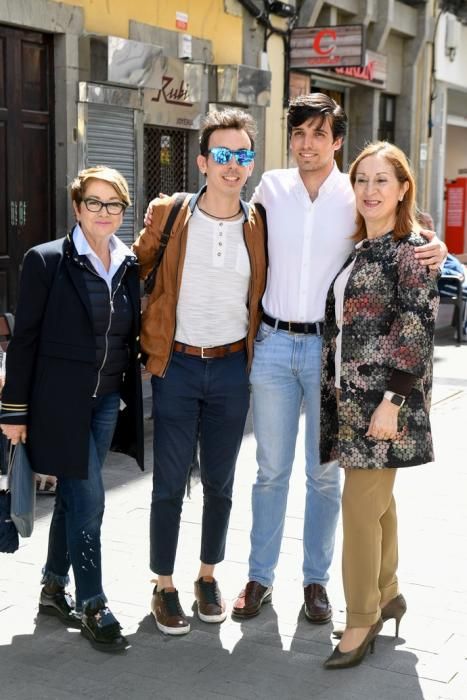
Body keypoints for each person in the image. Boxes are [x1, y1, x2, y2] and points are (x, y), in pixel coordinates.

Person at [232, 94, 446, 624]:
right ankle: (260, 576)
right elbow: (224, 214)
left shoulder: (354, 191)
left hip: (334, 357)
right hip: (276, 345)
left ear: (336, 141)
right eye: (298, 133)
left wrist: (440, 248)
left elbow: (407, 228)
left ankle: (316, 582)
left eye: (318, 134)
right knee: (269, 471)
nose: (307, 144)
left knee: (324, 474)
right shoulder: (271, 188)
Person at [133, 108, 267, 635]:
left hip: (233, 368)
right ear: (203, 162)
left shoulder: (259, 224)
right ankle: (163, 584)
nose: (233, 166)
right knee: (168, 483)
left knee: (221, 482)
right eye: (224, 156)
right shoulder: (170, 213)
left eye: (243, 156)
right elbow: (131, 268)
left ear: (251, 165)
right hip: (178, 366)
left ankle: (207, 576)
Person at [0, 166, 144, 653]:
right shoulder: (46, 261)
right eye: (95, 202)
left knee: (71, 498)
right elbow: (24, 342)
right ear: (78, 207)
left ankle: (51, 587)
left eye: (114, 204)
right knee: (89, 498)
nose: (104, 212)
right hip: (57, 403)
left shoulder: (128, 263)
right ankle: (93, 602)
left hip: (105, 401)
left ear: (123, 211)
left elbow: (125, 333)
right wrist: (13, 411)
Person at [320, 141, 439, 669]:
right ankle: (389, 592)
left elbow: (415, 328)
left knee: (359, 510)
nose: (370, 190)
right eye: (361, 179)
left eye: (382, 180)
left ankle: (362, 616)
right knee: (377, 503)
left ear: (403, 188)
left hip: (385, 400)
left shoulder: (410, 247)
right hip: (353, 398)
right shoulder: (363, 245)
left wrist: (391, 400)